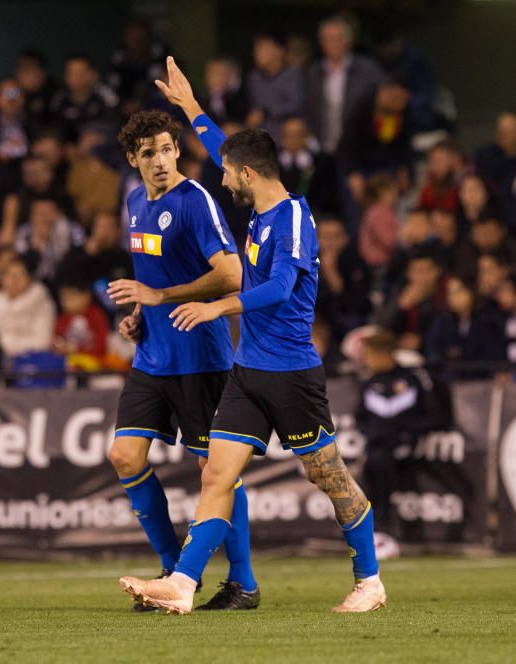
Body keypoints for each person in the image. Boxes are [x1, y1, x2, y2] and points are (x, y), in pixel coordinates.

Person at [120, 57, 385, 614]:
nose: (219, 176)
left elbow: (283, 288)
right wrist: (189, 105)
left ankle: (369, 579)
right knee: (216, 473)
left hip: (290, 373)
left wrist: (219, 306)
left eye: (226, 172)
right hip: (247, 371)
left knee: (328, 476)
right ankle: (183, 584)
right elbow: (221, 144)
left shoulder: (289, 219)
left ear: (247, 176)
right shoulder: (259, 205)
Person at [104, 108, 258, 612]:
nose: (162, 161)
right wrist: (137, 315)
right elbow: (148, 280)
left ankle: (242, 582)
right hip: (152, 356)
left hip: (201, 356)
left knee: (215, 472)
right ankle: (173, 573)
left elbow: (233, 274)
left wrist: (159, 294)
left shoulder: (196, 202)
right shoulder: (132, 203)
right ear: (134, 159)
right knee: (124, 456)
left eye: (169, 149)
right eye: (149, 153)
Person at [356, 329, 452, 541]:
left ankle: (387, 526)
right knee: (371, 467)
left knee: (382, 464)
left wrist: (409, 432)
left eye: (371, 354)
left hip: (406, 443)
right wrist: (370, 433)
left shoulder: (413, 378)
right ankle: (376, 528)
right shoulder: (368, 383)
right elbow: (360, 417)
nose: (368, 360)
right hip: (376, 446)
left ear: (385, 353)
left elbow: (436, 415)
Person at [304, 15, 385, 155]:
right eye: (328, 39)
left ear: (348, 41)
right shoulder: (314, 72)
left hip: (359, 150)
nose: (333, 44)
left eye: (338, 39)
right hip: (323, 149)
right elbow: (308, 110)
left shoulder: (368, 70)